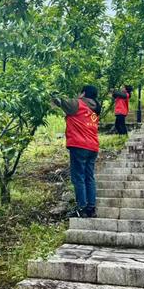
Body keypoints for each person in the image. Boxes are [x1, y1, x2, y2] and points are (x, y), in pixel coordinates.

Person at [52, 85, 100, 218]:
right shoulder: (95, 109)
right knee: (89, 177)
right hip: (93, 147)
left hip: (79, 146)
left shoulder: (77, 104)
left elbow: (58, 100)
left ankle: (82, 208)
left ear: (83, 93)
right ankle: (91, 208)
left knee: (78, 177)